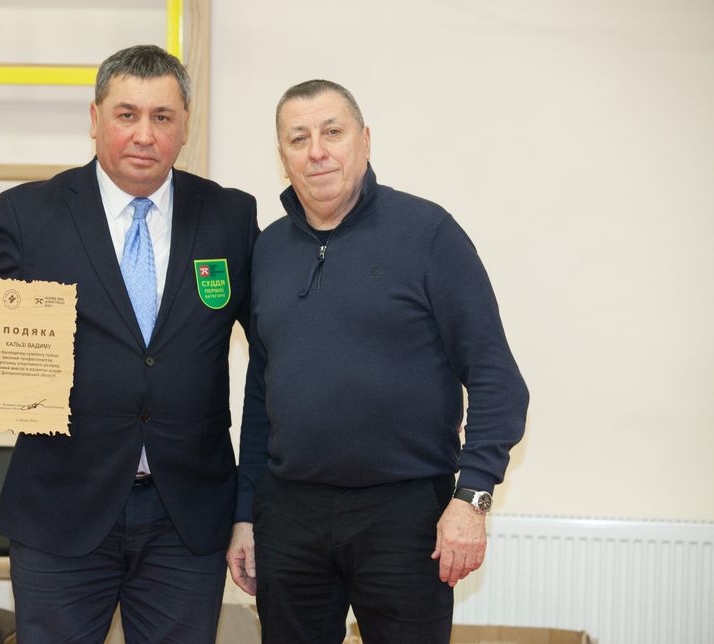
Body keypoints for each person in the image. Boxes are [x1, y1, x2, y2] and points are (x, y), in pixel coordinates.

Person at [0, 45, 258, 643]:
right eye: (126, 114)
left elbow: (273, 351)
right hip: (60, 509)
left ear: (184, 126)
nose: (144, 134)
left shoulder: (229, 216)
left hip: (186, 517)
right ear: (95, 119)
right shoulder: (32, 212)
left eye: (162, 117)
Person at [226, 79, 529, 643]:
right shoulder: (267, 251)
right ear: (283, 156)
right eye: (298, 138)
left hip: (405, 514)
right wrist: (247, 513)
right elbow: (261, 392)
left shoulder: (428, 234)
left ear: (364, 141)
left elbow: (496, 379)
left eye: (332, 132)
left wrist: (472, 499)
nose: (317, 151)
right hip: (290, 514)